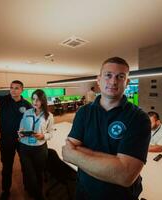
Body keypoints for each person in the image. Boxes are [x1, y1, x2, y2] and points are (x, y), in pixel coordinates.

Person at [62, 57, 151, 200]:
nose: (113, 81)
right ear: (99, 80)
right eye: (108, 75)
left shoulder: (139, 118)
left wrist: (78, 154)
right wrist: (115, 162)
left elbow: (125, 175)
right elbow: (67, 153)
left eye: (120, 77)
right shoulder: (83, 112)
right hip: (84, 191)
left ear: (127, 82)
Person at [18, 89, 54, 200]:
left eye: (38, 99)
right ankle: (39, 196)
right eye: (33, 99)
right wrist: (20, 133)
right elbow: (21, 128)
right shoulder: (27, 113)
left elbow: (50, 133)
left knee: (39, 174)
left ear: (43, 101)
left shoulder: (49, 116)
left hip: (40, 149)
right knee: (30, 173)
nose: (35, 102)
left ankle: (35, 191)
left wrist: (43, 136)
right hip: (25, 147)